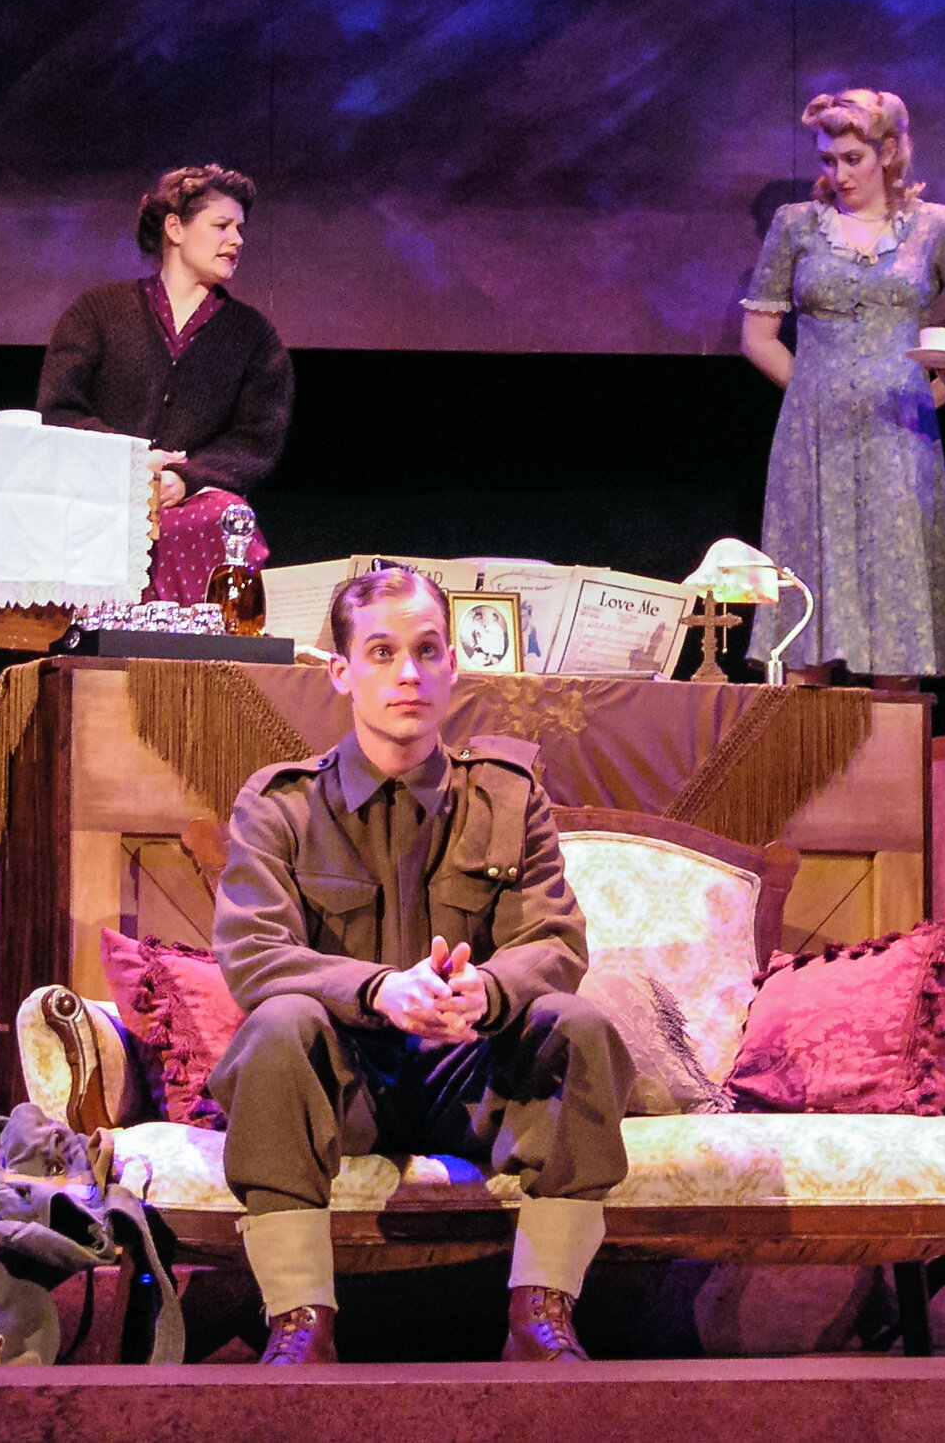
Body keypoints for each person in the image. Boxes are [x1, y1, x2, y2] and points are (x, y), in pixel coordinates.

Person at [205, 566, 633, 1364]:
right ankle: (301, 1322)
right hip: (343, 1085)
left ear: (452, 667)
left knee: (576, 1026)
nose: (408, 672)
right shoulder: (281, 804)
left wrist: (488, 990)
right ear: (341, 672)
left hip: (471, 1081)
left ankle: (541, 1316)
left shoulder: (508, 796)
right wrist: (378, 990)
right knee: (278, 1025)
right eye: (381, 652)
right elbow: (254, 954)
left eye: (427, 650)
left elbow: (555, 940)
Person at [740, 89, 945, 685]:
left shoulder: (935, 226)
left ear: (888, 153)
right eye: (827, 160)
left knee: (897, 618)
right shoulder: (796, 225)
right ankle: (804, 747)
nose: (838, 174)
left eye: (852, 159)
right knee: (806, 615)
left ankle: (892, 745)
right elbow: (758, 337)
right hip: (813, 440)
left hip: (899, 437)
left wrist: (931, 396)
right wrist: (812, 393)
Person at [37, 164, 293, 604]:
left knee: (223, 516)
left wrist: (184, 478)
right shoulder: (99, 312)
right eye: (221, 226)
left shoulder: (253, 335)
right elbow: (61, 410)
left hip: (190, 505)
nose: (236, 240)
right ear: (175, 228)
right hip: (101, 492)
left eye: (240, 229)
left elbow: (256, 440)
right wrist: (132, 461)